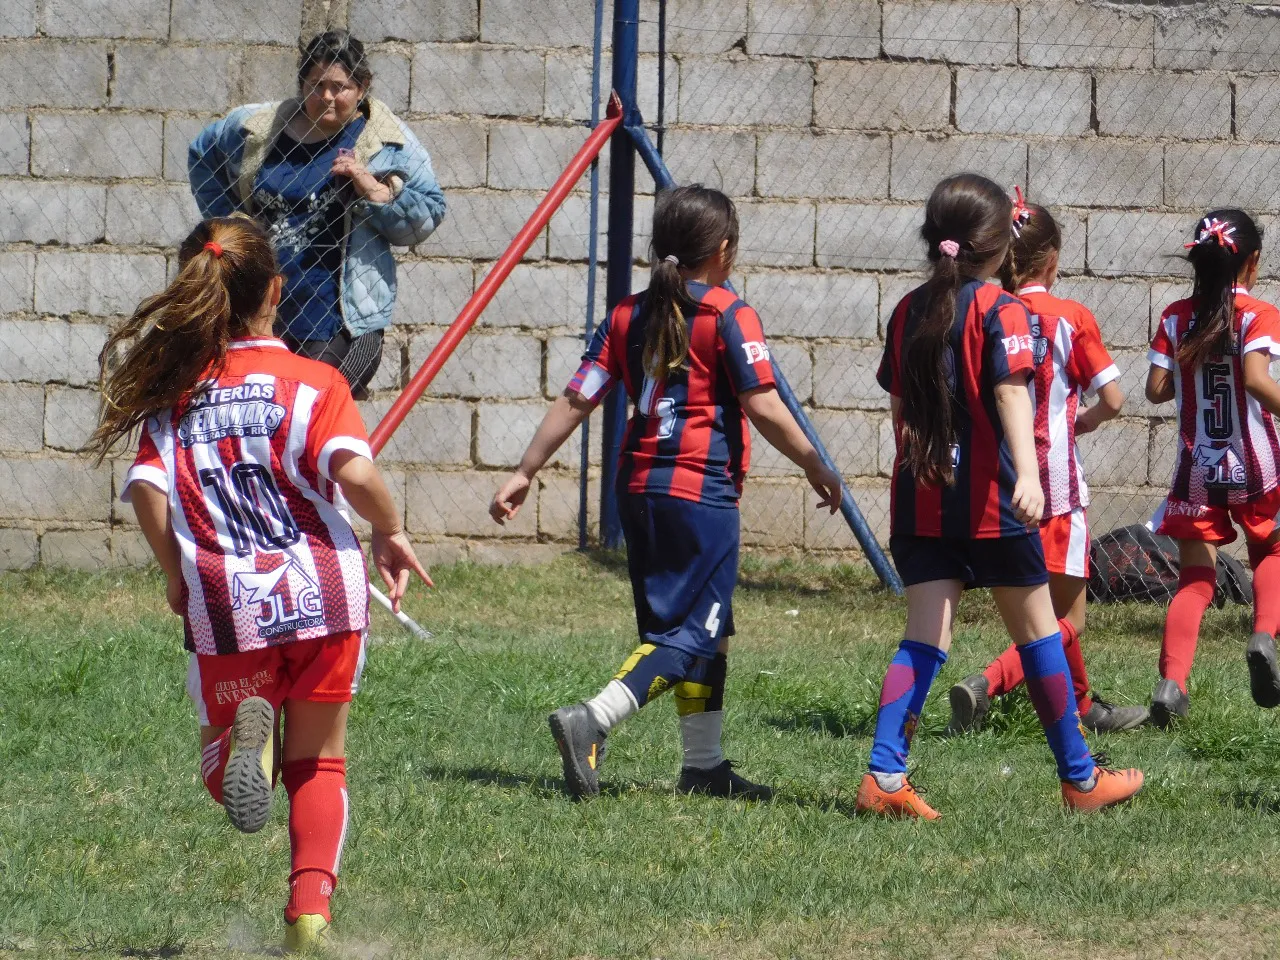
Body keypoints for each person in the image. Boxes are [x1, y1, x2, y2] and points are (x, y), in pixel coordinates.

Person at [89, 217, 431, 952]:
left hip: (227, 598)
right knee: (320, 761)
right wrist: (390, 530)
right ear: (277, 290)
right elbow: (356, 473)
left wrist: (177, 575)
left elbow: (149, 494)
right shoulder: (315, 382)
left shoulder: (177, 397)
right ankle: (308, 916)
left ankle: (245, 746)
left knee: (227, 763)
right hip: (325, 591)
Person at [489, 185, 842, 801]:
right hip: (699, 497)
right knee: (689, 635)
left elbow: (579, 396)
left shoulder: (627, 314)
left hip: (640, 491)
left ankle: (703, 766)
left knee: (709, 626)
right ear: (724, 249)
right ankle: (591, 720)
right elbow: (761, 402)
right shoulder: (728, 313)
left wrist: (526, 469)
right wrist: (815, 461)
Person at [859, 173, 1144, 820]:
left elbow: (900, 409)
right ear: (997, 248)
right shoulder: (1001, 309)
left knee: (924, 639)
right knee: (1042, 633)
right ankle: (1080, 780)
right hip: (989, 503)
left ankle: (883, 775)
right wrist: (1029, 475)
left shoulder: (908, 308)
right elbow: (1012, 392)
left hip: (922, 497)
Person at [947, 197, 1149, 735]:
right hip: (1055, 484)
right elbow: (1114, 398)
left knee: (1038, 610)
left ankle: (1082, 708)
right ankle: (987, 681)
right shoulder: (1071, 318)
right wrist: (1080, 422)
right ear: (1052, 259)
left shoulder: (986, 310)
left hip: (999, 483)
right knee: (1067, 620)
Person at [188, 30, 445, 397]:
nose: (325, 97)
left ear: (362, 87)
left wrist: (372, 189)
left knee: (311, 419)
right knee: (262, 422)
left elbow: (428, 215)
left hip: (337, 320)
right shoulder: (258, 126)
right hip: (258, 311)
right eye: (315, 84)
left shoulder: (389, 142)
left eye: (339, 87)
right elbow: (202, 153)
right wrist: (228, 225)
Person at [1145, 209, 1280, 728]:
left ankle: (1172, 685)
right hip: (1256, 465)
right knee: (1271, 549)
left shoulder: (1177, 316)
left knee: (1196, 579)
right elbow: (1256, 377)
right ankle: (1264, 635)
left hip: (1196, 468)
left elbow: (1155, 391)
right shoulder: (1260, 314)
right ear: (1252, 263)